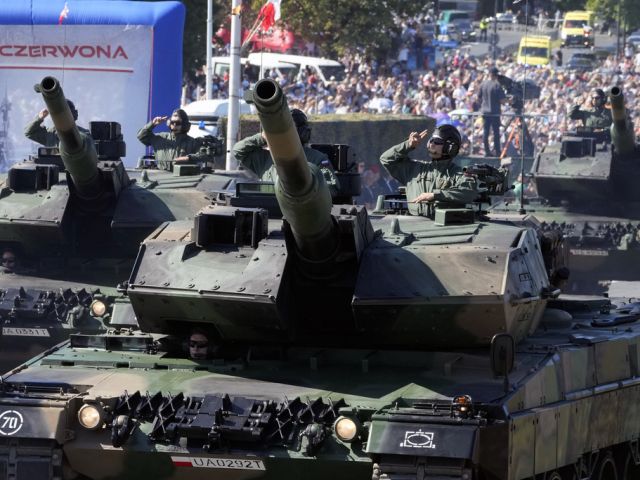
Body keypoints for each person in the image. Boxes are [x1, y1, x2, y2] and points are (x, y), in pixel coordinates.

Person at [379, 124, 477, 217]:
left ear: (450, 148)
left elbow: (469, 193)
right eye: (431, 140)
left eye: (437, 142)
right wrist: (408, 145)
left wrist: (435, 195)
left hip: (445, 224)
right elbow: (386, 159)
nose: (431, 144)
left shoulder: (457, 173)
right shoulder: (415, 169)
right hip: (413, 223)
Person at [232, 108, 339, 193]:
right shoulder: (265, 159)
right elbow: (238, 151)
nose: (282, 133)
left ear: (302, 133)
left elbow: (331, 189)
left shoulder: (317, 159)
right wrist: (262, 137)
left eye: (288, 128)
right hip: (267, 209)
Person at [137, 108, 208, 171]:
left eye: (178, 123)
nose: (174, 125)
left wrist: (188, 158)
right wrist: (152, 124)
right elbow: (141, 136)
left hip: (183, 177)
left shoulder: (191, 142)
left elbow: (205, 155)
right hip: (160, 176)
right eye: (172, 122)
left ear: (184, 125)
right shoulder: (160, 138)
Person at [24, 100, 90, 147]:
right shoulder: (50, 134)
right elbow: (29, 133)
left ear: (74, 114)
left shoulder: (84, 134)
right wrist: (39, 118)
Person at [478, 67, 508, 157]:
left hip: (485, 112)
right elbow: (502, 100)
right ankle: (498, 152)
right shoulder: (497, 85)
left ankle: (487, 151)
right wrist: (509, 101)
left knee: (486, 132)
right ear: (496, 75)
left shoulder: (483, 84)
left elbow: (478, 97)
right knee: (496, 133)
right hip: (494, 113)